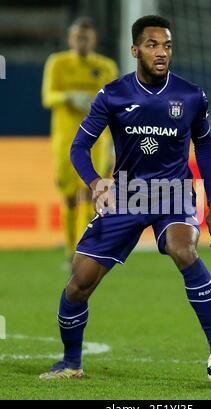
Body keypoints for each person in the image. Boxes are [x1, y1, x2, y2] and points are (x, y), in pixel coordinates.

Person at [40, 15, 211, 380]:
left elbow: (205, 146)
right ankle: (71, 363)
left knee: (183, 248)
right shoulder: (113, 94)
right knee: (79, 282)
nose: (162, 53)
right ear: (135, 50)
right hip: (127, 194)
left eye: (167, 46)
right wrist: (96, 182)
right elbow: (79, 147)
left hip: (173, 193)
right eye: (153, 45)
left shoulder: (191, 95)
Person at [42, 17, 118, 263]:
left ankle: (84, 252)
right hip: (65, 140)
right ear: (70, 39)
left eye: (86, 37)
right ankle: (69, 249)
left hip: (96, 140)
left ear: (93, 40)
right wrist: (68, 97)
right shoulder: (58, 63)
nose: (81, 42)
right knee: (68, 195)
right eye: (77, 37)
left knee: (91, 191)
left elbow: (116, 104)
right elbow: (47, 96)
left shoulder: (106, 67)